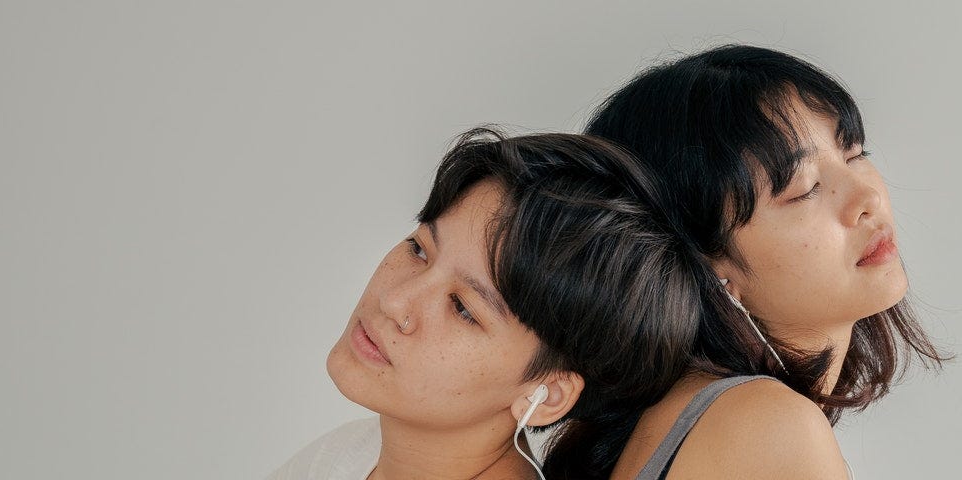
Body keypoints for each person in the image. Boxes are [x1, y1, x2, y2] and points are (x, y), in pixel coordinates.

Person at [550, 44, 948, 479]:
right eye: (804, 188)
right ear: (706, 267)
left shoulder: (697, 416)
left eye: (854, 154)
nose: (867, 198)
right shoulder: (766, 423)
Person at [266, 129, 715, 480]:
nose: (395, 300)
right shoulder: (347, 455)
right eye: (419, 249)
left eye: (463, 308)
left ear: (546, 396)